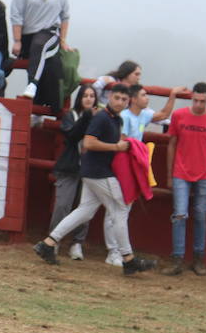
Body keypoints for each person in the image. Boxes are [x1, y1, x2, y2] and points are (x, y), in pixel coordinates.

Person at [31, 83, 155, 275]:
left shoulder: (114, 119)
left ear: (128, 101)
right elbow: (89, 143)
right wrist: (116, 148)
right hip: (99, 172)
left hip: (92, 172)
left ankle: (48, 243)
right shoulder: (103, 118)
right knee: (121, 209)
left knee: (85, 211)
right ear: (110, 98)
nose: (120, 102)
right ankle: (128, 259)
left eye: (124, 99)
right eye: (117, 98)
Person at [164, 82, 206, 275]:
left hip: (205, 174)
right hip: (181, 172)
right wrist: (169, 175)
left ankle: (198, 258)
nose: (199, 105)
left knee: (200, 215)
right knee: (180, 214)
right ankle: (177, 259)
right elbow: (172, 144)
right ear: (192, 98)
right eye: (196, 100)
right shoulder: (179, 115)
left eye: (202, 101)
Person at [10, 0, 71, 104]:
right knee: (46, 63)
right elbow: (16, 14)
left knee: (40, 45)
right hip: (27, 35)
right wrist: (17, 40)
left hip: (49, 32)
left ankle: (32, 84)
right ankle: (37, 107)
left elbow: (65, 16)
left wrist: (63, 40)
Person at [49, 83, 99, 262]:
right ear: (79, 98)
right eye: (85, 95)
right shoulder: (71, 116)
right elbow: (72, 136)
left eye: (91, 96)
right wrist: (86, 117)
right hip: (69, 168)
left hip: (89, 170)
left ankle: (77, 243)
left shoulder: (100, 118)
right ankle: (53, 240)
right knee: (62, 205)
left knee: (85, 208)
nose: (88, 99)